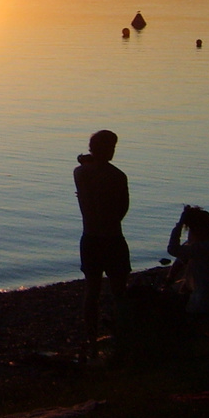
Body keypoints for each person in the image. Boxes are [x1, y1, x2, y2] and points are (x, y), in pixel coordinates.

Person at [74, 129, 131, 356]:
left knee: (92, 291)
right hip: (112, 237)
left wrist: (87, 160)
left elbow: (84, 166)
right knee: (119, 292)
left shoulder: (80, 173)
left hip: (91, 237)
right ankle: (123, 335)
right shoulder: (118, 176)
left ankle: (92, 338)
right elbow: (123, 209)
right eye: (111, 147)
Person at [167, 206, 209, 314]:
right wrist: (170, 278)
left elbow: (173, 249)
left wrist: (179, 224)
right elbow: (181, 259)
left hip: (207, 303)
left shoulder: (208, 246)